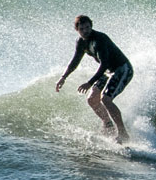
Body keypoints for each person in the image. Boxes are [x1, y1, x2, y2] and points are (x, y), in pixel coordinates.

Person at [56, 14, 133, 142]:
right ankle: (108, 124)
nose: (85, 31)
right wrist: (63, 77)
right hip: (109, 71)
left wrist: (89, 82)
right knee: (92, 99)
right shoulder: (81, 42)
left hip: (122, 69)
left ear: (91, 26)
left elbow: (105, 64)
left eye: (87, 27)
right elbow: (75, 61)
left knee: (106, 99)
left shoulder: (99, 39)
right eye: (82, 29)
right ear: (77, 30)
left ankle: (123, 133)